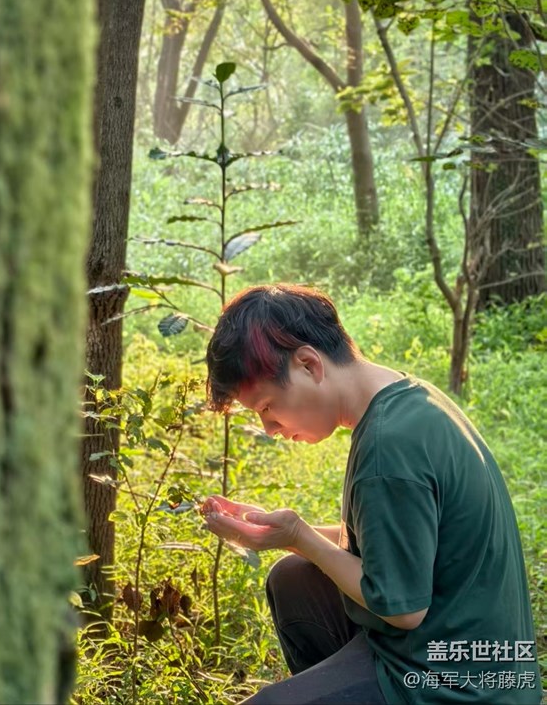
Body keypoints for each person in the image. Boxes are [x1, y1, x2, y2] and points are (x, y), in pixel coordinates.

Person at [201, 284, 542, 705]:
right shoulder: (407, 398)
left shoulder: (389, 449)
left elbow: (403, 610)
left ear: (309, 364)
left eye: (268, 407)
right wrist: (286, 532)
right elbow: (396, 544)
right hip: (474, 652)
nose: (270, 429)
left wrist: (299, 536)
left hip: (455, 683)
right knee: (292, 579)